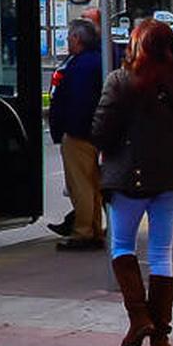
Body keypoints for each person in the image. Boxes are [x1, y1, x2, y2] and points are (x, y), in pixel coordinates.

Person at [90, 19, 173, 346]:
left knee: (122, 246)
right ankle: (161, 334)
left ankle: (139, 318)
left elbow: (100, 132)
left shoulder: (119, 81)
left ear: (136, 47)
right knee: (162, 252)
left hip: (127, 177)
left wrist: (120, 144)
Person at [48, 18, 105, 251]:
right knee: (92, 185)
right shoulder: (97, 61)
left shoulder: (80, 65)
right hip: (92, 133)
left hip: (79, 134)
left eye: (70, 36)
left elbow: (78, 101)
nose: (68, 40)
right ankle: (93, 229)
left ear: (78, 39)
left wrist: (70, 128)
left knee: (80, 184)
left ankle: (83, 232)